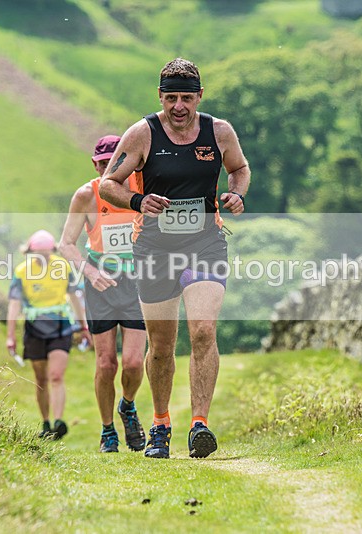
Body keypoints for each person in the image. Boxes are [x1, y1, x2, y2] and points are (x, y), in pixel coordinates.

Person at [99, 58, 250, 459]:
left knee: (202, 331)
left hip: (205, 242)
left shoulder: (219, 131)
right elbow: (107, 184)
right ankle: (161, 424)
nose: (179, 106)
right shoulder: (142, 134)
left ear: (200, 95)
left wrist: (236, 193)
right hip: (154, 248)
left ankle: (200, 424)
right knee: (163, 346)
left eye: (186, 97)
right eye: (171, 98)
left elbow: (239, 168)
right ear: (160, 97)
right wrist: (138, 200)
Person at [58, 135, 148, 453]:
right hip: (100, 284)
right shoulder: (86, 195)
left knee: (135, 363)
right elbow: (66, 244)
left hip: (137, 283)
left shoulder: (140, 188)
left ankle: (128, 405)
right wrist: (90, 272)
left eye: (113, 162)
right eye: (100, 163)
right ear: (94, 165)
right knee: (106, 364)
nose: (105, 168)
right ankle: (108, 430)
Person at [6, 229, 91, 440]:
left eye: (47, 254)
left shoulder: (62, 267)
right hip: (34, 329)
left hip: (61, 326)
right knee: (41, 379)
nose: (43, 258)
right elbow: (14, 305)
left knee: (56, 375)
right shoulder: (21, 271)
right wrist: (10, 336)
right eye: (38, 254)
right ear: (29, 253)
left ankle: (59, 421)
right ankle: (45, 423)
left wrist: (84, 326)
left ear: (52, 251)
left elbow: (74, 298)